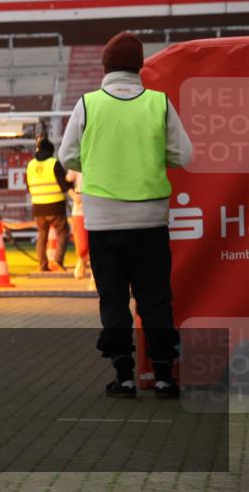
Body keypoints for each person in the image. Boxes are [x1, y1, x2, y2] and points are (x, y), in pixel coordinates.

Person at [59, 31, 192, 399]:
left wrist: (100, 163)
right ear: (139, 67)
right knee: (155, 300)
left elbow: (67, 157)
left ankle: (125, 376)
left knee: (113, 300)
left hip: (103, 222)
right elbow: (185, 155)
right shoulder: (158, 103)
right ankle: (164, 376)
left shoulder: (88, 104)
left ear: (105, 67)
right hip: (151, 222)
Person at [26, 136, 70, 272]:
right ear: (51, 150)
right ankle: (57, 260)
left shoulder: (30, 165)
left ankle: (42, 264)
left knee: (42, 236)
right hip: (56, 206)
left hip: (38, 207)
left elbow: (28, 186)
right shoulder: (53, 163)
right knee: (63, 233)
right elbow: (64, 184)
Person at [65, 169, 91, 279]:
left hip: (98, 208)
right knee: (82, 246)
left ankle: (95, 275)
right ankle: (82, 260)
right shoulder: (76, 163)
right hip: (79, 210)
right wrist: (74, 195)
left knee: (97, 244)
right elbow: (66, 181)